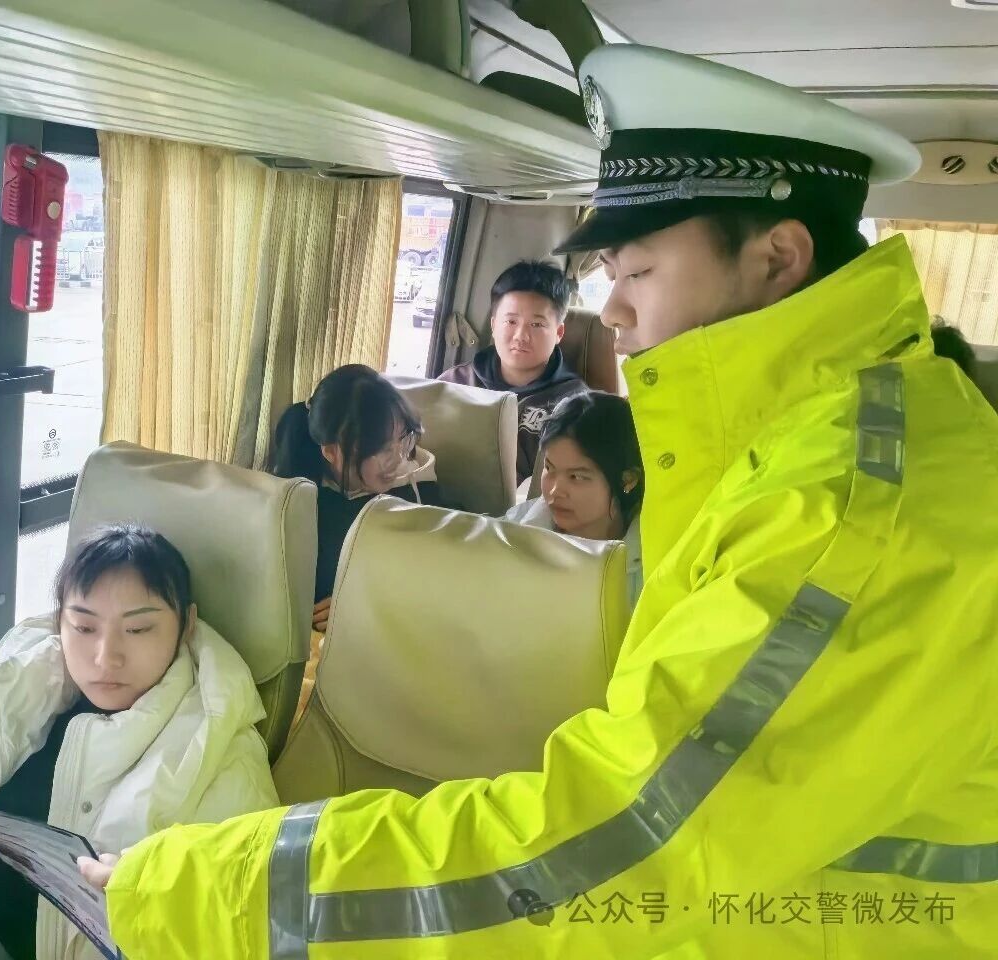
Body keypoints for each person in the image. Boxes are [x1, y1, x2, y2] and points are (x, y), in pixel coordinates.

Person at [80, 45, 998, 960]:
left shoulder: (845, 510)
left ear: (778, 256)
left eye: (636, 273)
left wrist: (209, 892)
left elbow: (622, 841)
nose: (615, 312)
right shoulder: (830, 440)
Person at [0, 524, 278, 960]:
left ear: (187, 624)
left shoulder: (219, 747)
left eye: (138, 630)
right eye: (84, 628)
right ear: (60, 620)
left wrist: (149, 901)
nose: (106, 657)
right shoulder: (18, 686)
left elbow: (247, 915)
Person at [270, 363, 441, 635]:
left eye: (402, 439)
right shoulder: (296, 500)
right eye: (381, 450)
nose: (398, 458)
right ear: (331, 452)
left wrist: (368, 605)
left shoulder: (420, 492)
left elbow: (437, 580)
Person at [438, 260, 585, 484]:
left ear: (558, 333)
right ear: (494, 326)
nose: (520, 336)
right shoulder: (454, 382)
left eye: (537, 325)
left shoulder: (575, 405)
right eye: (511, 321)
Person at [505, 390, 644, 611]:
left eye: (576, 477)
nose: (555, 491)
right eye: (549, 468)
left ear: (628, 480)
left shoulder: (655, 562)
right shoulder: (507, 534)